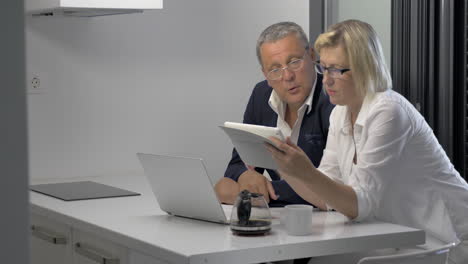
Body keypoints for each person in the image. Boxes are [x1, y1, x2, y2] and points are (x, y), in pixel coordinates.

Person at [267, 19, 468, 264]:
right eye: (323, 67)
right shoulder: (340, 112)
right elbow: (327, 197)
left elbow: (359, 206)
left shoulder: (389, 111)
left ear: (365, 68)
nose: (326, 80)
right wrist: (286, 168)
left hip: (446, 241)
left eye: (336, 70)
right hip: (398, 238)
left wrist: (305, 172)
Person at [215, 22, 334, 206]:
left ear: (311, 55)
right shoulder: (260, 96)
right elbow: (236, 165)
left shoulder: (333, 99)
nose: (287, 77)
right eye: (275, 70)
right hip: (282, 223)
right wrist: (246, 175)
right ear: (265, 75)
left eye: (294, 62)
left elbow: (330, 187)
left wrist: (251, 196)